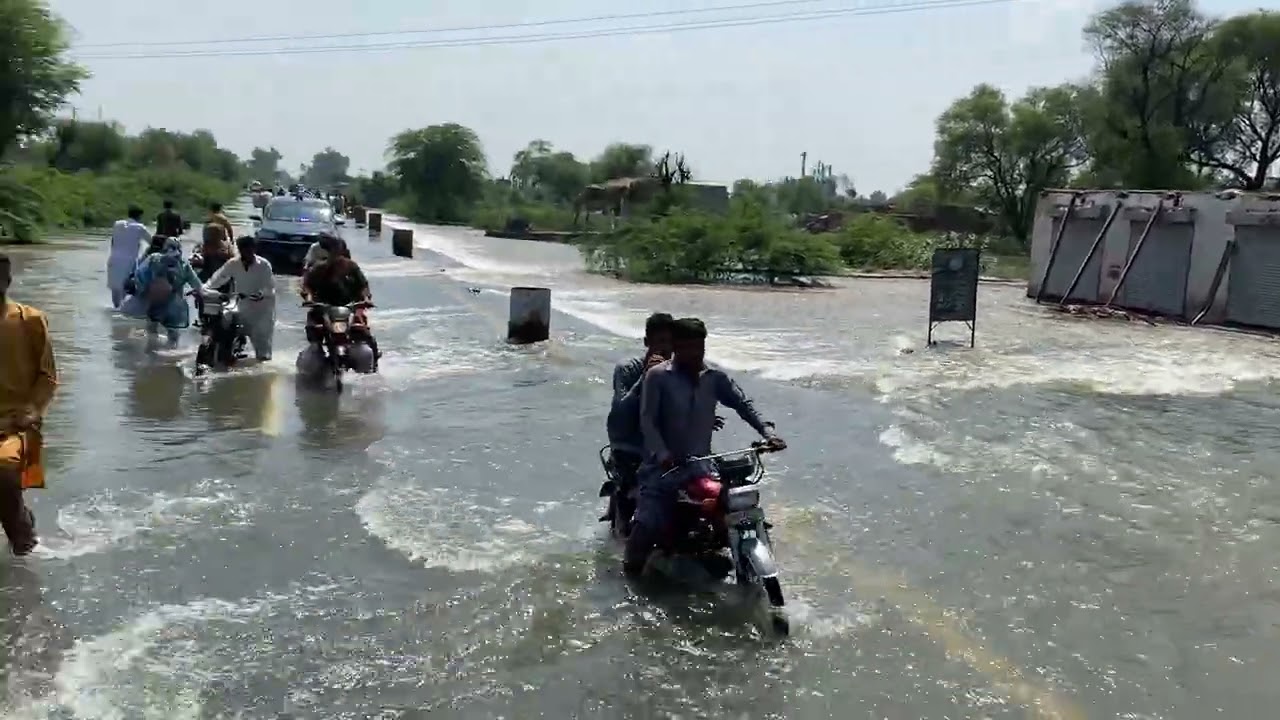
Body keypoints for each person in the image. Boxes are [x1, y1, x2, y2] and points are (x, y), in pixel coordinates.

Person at [623, 317, 786, 577]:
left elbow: (744, 405)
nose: (694, 354)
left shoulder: (714, 378)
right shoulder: (658, 377)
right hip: (662, 471)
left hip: (701, 468)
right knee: (647, 525)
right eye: (687, 347)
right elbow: (648, 422)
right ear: (675, 347)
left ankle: (744, 556)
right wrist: (663, 454)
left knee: (737, 507)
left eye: (699, 347)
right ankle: (629, 580)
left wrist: (769, 433)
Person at [0, 253, 58, 556]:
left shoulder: (30, 320)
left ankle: (25, 545)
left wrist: (31, 412)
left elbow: (47, 376)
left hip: (15, 425)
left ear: (7, 281)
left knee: (3, 474)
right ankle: (20, 516)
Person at [602, 313, 675, 523]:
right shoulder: (627, 369)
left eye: (671, 342)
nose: (666, 348)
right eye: (660, 341)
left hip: (667, 447)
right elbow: (621, 413)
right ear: (646, 342)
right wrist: (646, 377)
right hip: (631, 444)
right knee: (633, 506)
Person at [301, 236, 379, 361]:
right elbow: (307, 286)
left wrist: (366, 299)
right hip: (324, 309)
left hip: (350, 308)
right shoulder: (318, 269)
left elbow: (363, 285)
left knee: (363, 331)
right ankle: (314, 356)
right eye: (331, 250)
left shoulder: (351, 266)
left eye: (337, 249)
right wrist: (309, 299)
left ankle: (375, 357)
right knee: (314, 329)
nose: (334, 253)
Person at [203, 236, 276, 361]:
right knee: (225, 326)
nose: (245, 253)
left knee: (263, 353)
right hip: (242, 306)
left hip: (262, 312)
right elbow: (217, 279)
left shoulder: (264, 265)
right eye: (242, 250)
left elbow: (270, 287)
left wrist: (261, 294)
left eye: (248, 250)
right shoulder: (233, 264)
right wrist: (203, 289)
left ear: (254, 249)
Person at [122, 237, 203, 345]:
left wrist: (140, 291)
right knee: (173, 337)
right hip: (175, 307)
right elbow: (197, 284)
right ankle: (169, 354)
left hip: (156, 304)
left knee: (152, 332)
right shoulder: (184, 265)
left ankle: (151, 351)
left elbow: (140, 276)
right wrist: (202, 294)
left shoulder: (154, 260)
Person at [106, 205, 151, 308]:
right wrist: (145, 256)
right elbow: (152, 242)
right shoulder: (140, 227)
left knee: (115, 288)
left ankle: (115, 309)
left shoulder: (117, 224)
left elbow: (113, 242)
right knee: (126, 289)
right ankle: (121, 311)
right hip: (129, 262)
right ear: (139, 216)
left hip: (113, 259)